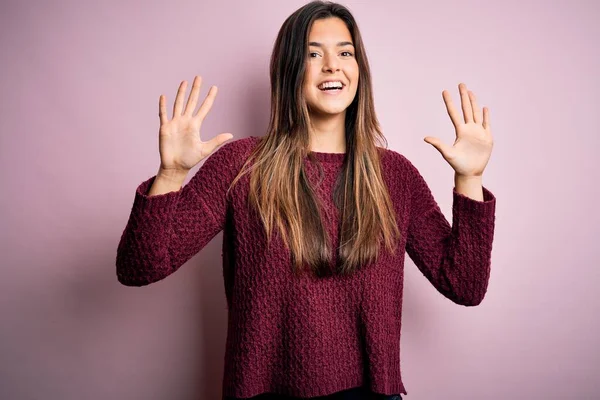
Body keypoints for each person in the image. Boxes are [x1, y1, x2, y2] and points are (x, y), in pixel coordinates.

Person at [116, 1, 496, 399]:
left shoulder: (394, 175)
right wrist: (171, 175)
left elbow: (464, 286)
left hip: (369, 394)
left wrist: (469, 178)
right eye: (313, 53)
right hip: (262, 393)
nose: (332, 65)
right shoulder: (241, 165)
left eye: (345, 52)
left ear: (359, 70)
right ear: (290, 70)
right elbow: (139, 267)